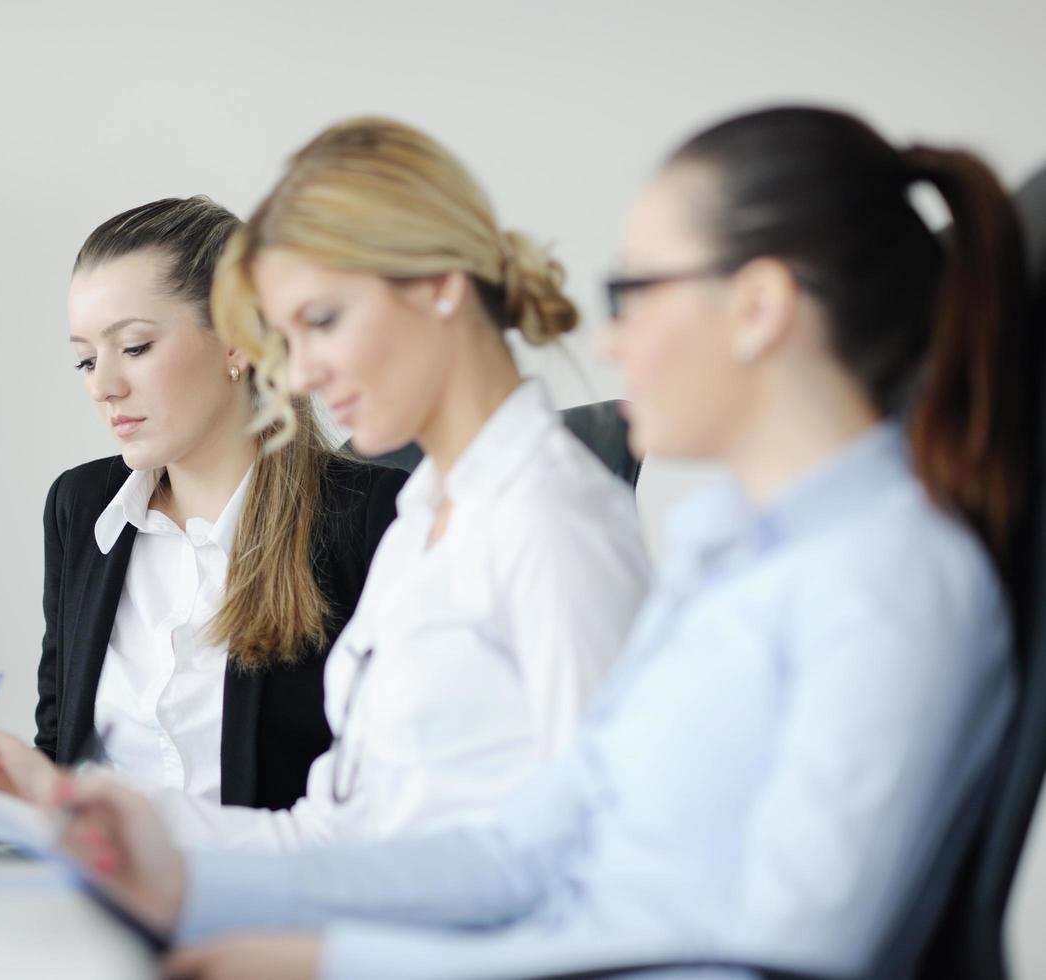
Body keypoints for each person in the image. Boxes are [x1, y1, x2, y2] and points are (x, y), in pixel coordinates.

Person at [61, 105, 1034, 980]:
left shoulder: (891, 578)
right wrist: (195, 885)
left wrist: (335, 962)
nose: (607, 343)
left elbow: (770, 951)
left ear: (759, 307)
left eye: (637, 292)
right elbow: (535, 846)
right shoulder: (722, 548)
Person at [0, 117, 649, 850]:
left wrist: (306, 951)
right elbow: (339, 831)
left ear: (440, 288)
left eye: (323, 320)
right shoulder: (423, 515)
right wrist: (53, 799)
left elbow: (594, 851)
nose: (302, 369)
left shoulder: (545, 520)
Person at [0, 196, 406, 814]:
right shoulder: (80, 509)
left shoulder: (370, 519)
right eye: (85, 358)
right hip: (89, 896)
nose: (101, 386)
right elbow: (61, 761)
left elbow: (388, 795)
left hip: (263, 898)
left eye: (133, 347)